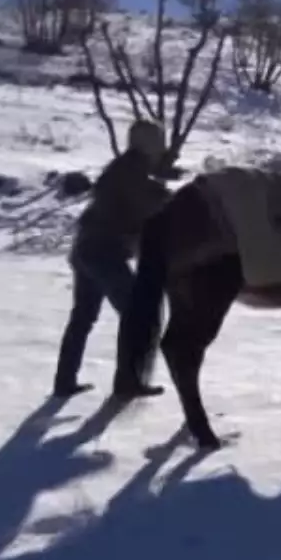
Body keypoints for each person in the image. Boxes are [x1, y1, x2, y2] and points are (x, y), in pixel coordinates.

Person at [51, 120, 172, 398]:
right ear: (144, 143)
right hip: (104, 253)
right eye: (158, 140)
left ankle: (64, 381)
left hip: (87, 250)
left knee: (83, 317)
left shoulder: (127, 168)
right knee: (137, 314)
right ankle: (127, 383)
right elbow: (147, 199)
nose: (161, 146)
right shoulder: (132, 170)